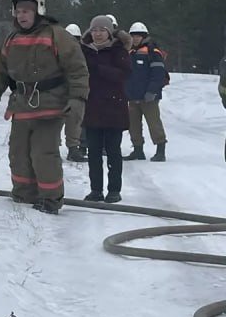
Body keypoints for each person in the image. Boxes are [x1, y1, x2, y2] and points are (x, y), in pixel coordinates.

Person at [0, 0, 90, 215]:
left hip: (51, 106)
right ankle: (24, 194)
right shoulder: (11, 40)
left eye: (27, 10)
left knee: (43, 153)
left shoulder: (57, 35)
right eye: (18, 11)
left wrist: (77, 99)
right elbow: (0, 73)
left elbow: (77, 70)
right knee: (18, 153)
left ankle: (50, 198)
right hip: (21, 105)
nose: (22, 15)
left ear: (38, 10)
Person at [79, 15, 132, 202]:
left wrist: (99, 69)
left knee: (113, 152)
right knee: (93, 152)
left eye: (102, 30)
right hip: (92, 107)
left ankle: (114, 190)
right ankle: (96, 190)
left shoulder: (118, 51)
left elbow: (124, 74)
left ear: (109, 32)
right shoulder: (84, 51)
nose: (98, 34)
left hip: (114, 108)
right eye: (94, 30)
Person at [123, 21, 169, 162]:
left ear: (144, 36)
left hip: (149, 97)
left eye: (138, 35)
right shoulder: (130, 52)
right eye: (133, 36)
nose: (135, 38)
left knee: (154, 124)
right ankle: (138, 150)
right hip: (132, 96)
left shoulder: (153, 52)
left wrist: (152, 91)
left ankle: (160, 151)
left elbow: (158, 74)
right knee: (133, 125)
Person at [62, 23, 87, 162]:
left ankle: (73, 149)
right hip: (57, 92)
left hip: (76, 93)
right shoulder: (54, 51)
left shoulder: (84, 53)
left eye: (75, 38)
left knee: (75, 122)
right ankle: (51, 150)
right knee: (53, 123)